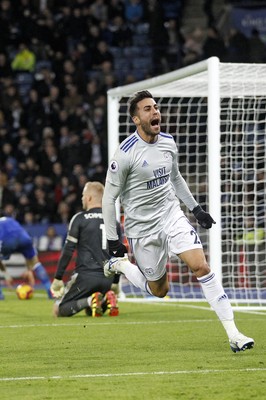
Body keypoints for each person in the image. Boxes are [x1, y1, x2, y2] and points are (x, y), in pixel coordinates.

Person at [102, 90, 254, 353]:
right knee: (159, 290)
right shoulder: (125, 154)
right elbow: (108, 198)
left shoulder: (168, 142)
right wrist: (113, 239)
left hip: (171, 215)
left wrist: (196, 209)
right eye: (147, 109)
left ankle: (234, 334)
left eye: (156, 107)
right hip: (142, 228)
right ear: (136, 119)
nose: (155, 112)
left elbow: (176, 178)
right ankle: (123, 266)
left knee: (201, 267)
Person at [50, 181, 120, 318]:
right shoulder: (114, 221)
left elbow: (68, 250)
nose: (82, 198)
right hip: (107, 279)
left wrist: (58, 277)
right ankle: (106, 299)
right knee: (91, 311)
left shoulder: (80, 218)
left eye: (83, 195)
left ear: (88, 198)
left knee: (59, 309)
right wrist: (115, 282)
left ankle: (90, 299)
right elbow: (118, 254)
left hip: (85, 276)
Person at [0, 216, 52, 299]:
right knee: (35, 263)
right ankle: (50, 291)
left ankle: (0, 296)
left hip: (7, 240)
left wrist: (7, 276)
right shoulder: (8, 219)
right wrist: (29, 270)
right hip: (23, 237)